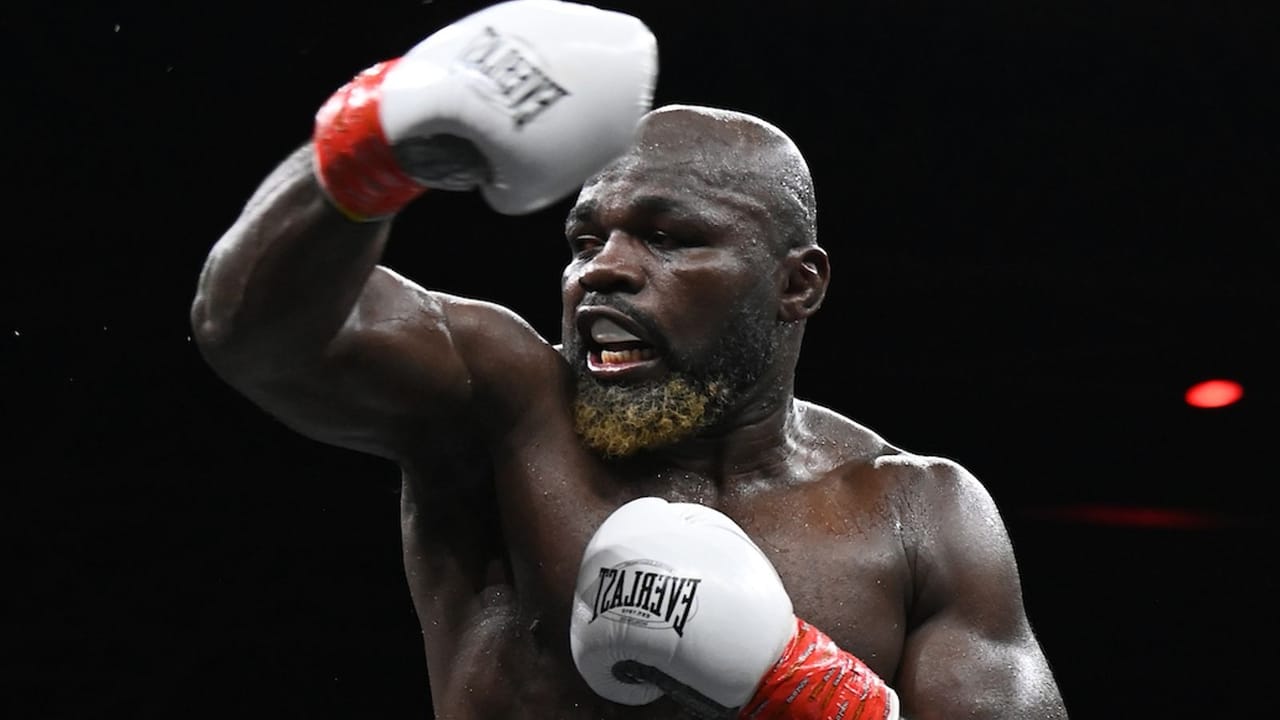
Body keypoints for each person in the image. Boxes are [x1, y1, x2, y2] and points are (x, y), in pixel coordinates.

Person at [190, 1, 1069, 718]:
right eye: (583, 238)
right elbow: (255, 331)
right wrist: (369, 141)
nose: (601, 269)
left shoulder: (918, 513)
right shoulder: (501, 405)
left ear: (797, 286)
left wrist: (813, 696)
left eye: (664, 237)